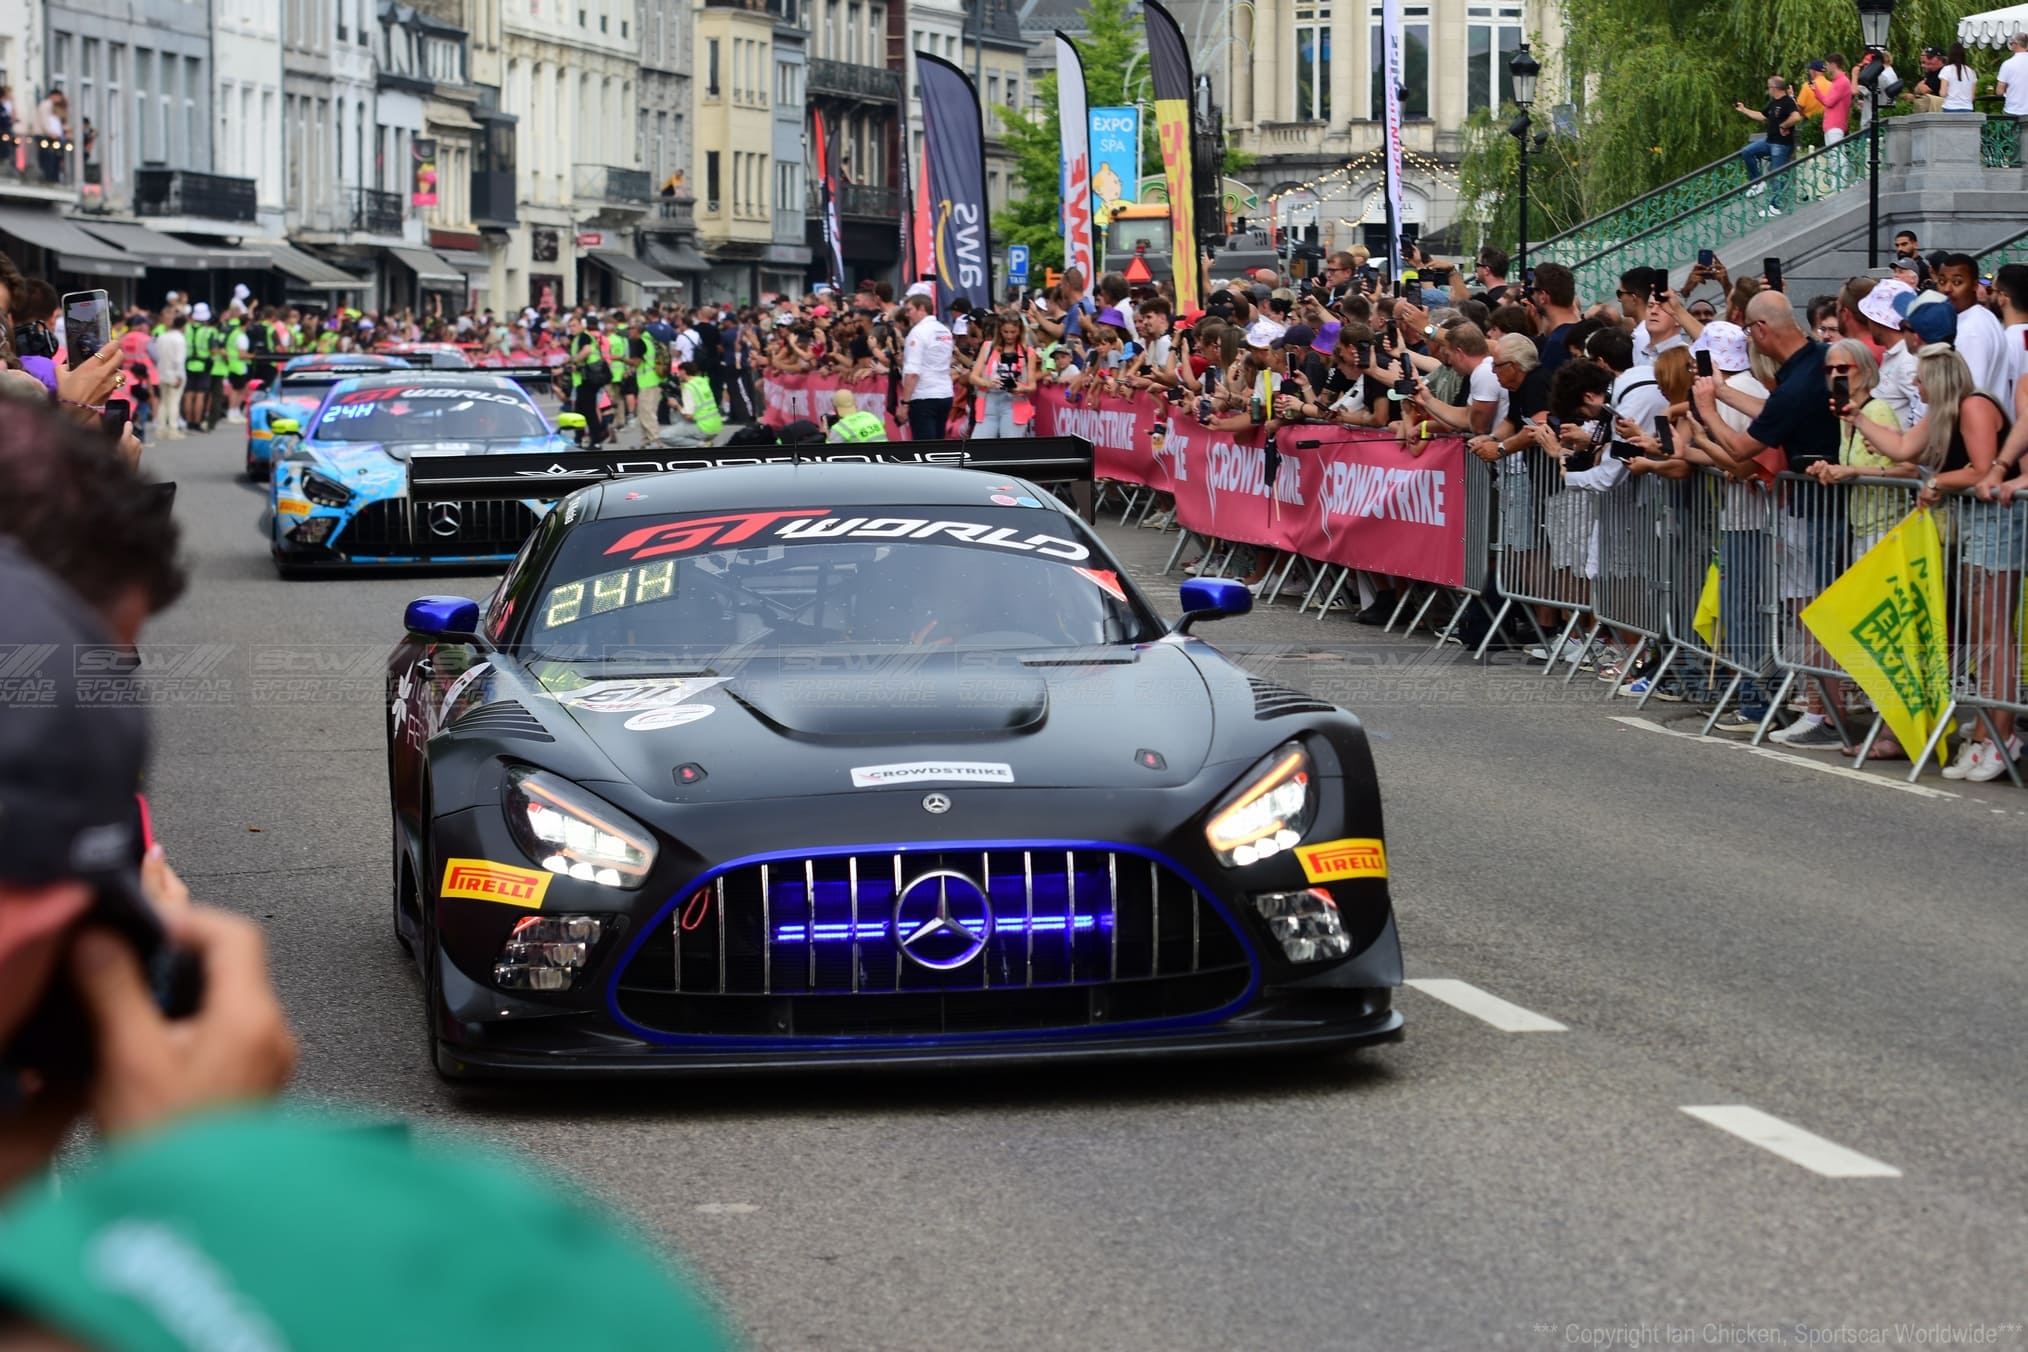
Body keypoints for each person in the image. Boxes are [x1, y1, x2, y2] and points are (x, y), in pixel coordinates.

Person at [1842, 342, 2019, 780]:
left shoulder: (1974, 405)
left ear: (1937, 380)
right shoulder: (1942, 413)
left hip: (1997, 523)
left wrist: (1937, 481)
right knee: (1983, 634)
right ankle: (1985, 734)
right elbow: (1903, 448)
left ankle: (2002, 736)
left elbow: (1981, 469)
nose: (1915, 386)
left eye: (1920, 379)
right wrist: (1858, 418)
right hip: (1975, 524)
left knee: (1995, 634)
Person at [1936, 255, 2010, 402]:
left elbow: (1971, 393)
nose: (1947, 289)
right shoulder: (1980, 317)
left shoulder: (1972, 331)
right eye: (1942, 281)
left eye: (1957, 282)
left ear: (1975, 285)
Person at [1735, 76, 1803, 213]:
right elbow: (1761, 116)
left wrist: (1784, 125)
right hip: (1769, 141)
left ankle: (1775, 207)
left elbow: (1796, 117)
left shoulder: (1787, 102)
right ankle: (1758, 182)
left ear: (1774, 88)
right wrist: (1744, 110)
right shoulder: (1774, 103)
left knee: (1778, 175)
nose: (1768, 90)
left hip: (1781, 144)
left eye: (1769, 87)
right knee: (1747, 152)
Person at [968, 313, 1037, 439]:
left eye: (1013, 332)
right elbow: (973, 377)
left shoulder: (1028, 352)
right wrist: (989, 383)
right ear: (999, 330)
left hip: (1014, 403)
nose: (1009, 336)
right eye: (1005, 332)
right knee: (978, 445)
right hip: (989, 402)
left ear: (1020, 331)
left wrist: (1021, 388)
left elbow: (1033, 386)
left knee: (1009, 447)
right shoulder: (988, 347)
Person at [897, 292, 954, 440]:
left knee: (924, 447)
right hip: (945, 394)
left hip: (924, 396)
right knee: (937, 444)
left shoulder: (918, 332)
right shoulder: (944, 330)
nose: (907, 315)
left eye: (909, 310)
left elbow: (912, 372)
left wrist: (904, 404)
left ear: (921, 308)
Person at [1939, 42, 1978, 111]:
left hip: (1950, 107)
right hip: (1967, 108)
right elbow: (1972, 97)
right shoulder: (1971, 72)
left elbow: (1943, 93)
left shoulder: (1946, 69)